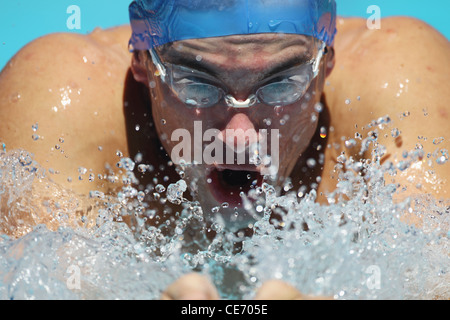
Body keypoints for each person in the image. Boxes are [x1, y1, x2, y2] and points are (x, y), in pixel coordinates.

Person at [0, 0, 448, 299]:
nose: (239, 137)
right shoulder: (64, 92)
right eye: (197, 84)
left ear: (327, 63)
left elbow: (433, 278)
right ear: (141, 63)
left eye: (282, 83)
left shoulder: (400, 80)